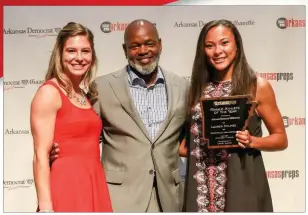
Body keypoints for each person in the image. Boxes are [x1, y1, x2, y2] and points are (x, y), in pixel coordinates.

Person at [50, 19, 190, 212]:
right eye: (135, 46)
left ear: (160, 44)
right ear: (125, 50)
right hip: (118, 198)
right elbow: (85, 133)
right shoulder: (101, 88)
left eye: (149, 43)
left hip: (169, 197)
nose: (143, 51)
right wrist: (59, 151)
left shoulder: (182, 87)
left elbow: (190, 138)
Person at [180, 19, 288, 212]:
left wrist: (252, 141)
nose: (217, 51)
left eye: (224, 43)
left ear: (237, 46)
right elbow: (184, 145)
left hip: (242, 185)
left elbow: (280, 139)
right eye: (209, 45)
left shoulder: (257, 86)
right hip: (200, 190)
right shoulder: (195, 89)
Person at [31, 22, 113, 212]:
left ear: (92, 56)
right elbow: (40, 156)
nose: (79, 58)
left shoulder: (84, 95)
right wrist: (45, 206)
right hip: (66, 186)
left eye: (85, 51)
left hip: (94, 182)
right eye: (71, 51)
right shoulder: (49, 93)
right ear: (60, 54)